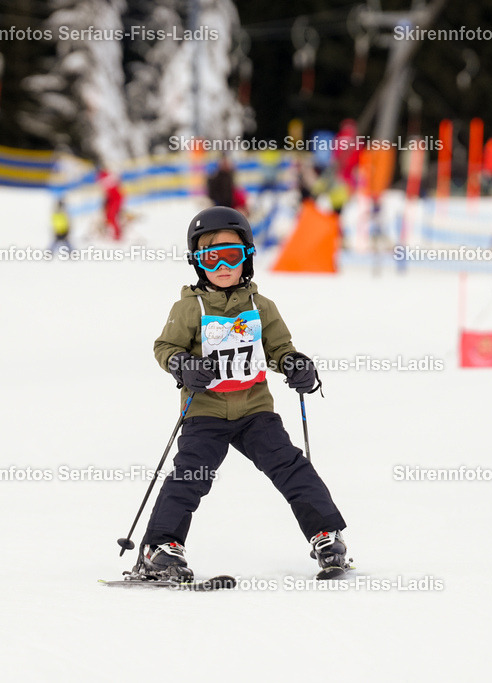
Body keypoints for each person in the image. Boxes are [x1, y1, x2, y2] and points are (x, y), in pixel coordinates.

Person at [134, 206, 349, 581]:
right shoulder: (189, 308)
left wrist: (296, 364)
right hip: (205, 412)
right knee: (191, 475)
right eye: (210, 257)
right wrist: (183, 365)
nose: (222, 265)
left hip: (255, 411)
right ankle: (160, 547)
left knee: (290, 467)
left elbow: (279, 349)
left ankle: (326, 535)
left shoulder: (261, 307)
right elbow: (164, 348)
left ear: (246, 256)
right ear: (197, 261)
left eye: (231, 255)